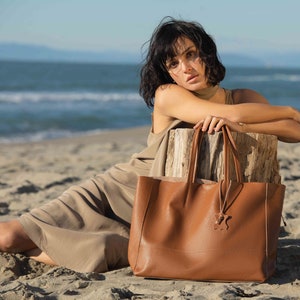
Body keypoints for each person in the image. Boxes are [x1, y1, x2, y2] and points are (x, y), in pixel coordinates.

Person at [0, 17, 299, 273]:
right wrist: (288, 110)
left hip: (168, 210)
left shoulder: (244, 97)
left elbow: (290, 132)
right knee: (10, 237)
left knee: (108, 253)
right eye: (174, 63)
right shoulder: (169, 94)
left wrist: (243, 126)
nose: (186, 68)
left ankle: (41, 253)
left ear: (207, 54)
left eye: (191, 55)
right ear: (167, 71)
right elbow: (231, 115)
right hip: (118, 192)